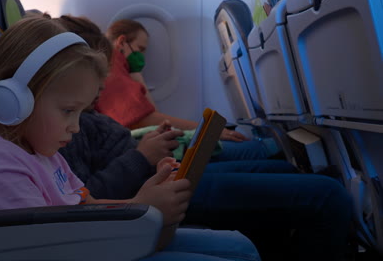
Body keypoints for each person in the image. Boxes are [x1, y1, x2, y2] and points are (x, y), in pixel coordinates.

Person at [0, 15, 260, 261]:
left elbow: (87, 205)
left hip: (91, 243)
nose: (76, 127)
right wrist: (141, 211)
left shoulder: (41, 150)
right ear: (13, 100)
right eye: (68, 110)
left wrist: (143, 205)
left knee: (238, 244)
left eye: (81, 112)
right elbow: (41, 250)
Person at [55, 14, 353, 261]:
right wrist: (142, 156)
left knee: (285, 170)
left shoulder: (82, 113)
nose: (99, 92)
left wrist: (148, 150)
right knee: (327, 195)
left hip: (160, 172)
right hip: (153, 183)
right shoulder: (64, 126)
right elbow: (87, 196)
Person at [97, 19, 280, 161]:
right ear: (121, 42)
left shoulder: (123, 71)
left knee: (246, 150)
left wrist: (136, 73)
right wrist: (208, 131)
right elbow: (143, 120)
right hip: (136, 145)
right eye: (140, 49)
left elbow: (149, 114)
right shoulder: (112, 67)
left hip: (141, 140)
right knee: (253, 150)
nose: (142, 56)